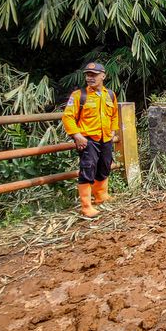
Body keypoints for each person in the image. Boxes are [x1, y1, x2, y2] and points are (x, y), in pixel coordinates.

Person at [62, 62, 119, 217]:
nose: (90, 78)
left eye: (93, 75)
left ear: (103, 76)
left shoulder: (110, 95)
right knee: (88, 169)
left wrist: (113, 131)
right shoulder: (79, 95)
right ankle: (86, 206)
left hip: (106, 137)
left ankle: (101, 196)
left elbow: (114, 115)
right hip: (88, 139)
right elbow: (68, 117)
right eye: (88, 75)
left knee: (104, 166)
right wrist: (77, 135)